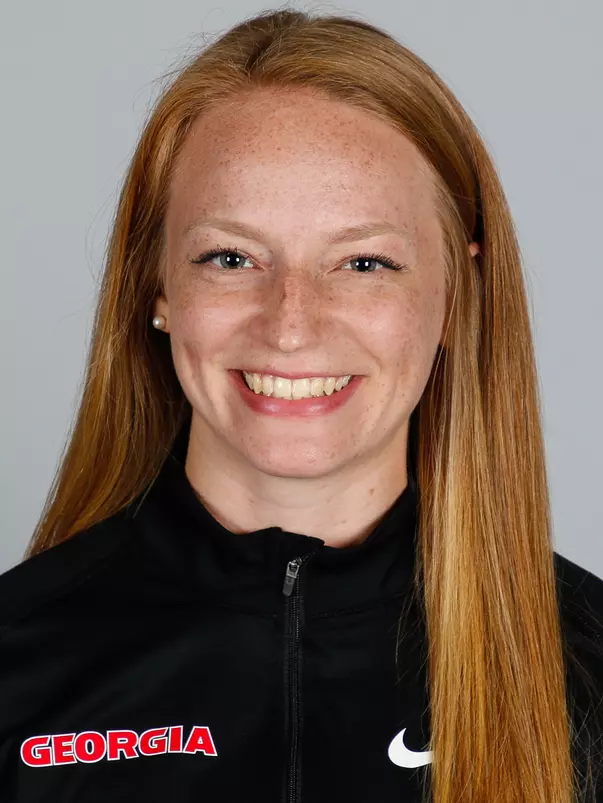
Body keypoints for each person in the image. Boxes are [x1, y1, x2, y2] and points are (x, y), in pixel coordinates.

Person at [1, 8, 602, 803]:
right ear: (157, 288)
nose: (289, 325)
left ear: (458, 294)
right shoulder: (19, 667)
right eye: (230, 257)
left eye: (362, 262)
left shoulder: (585, 667)